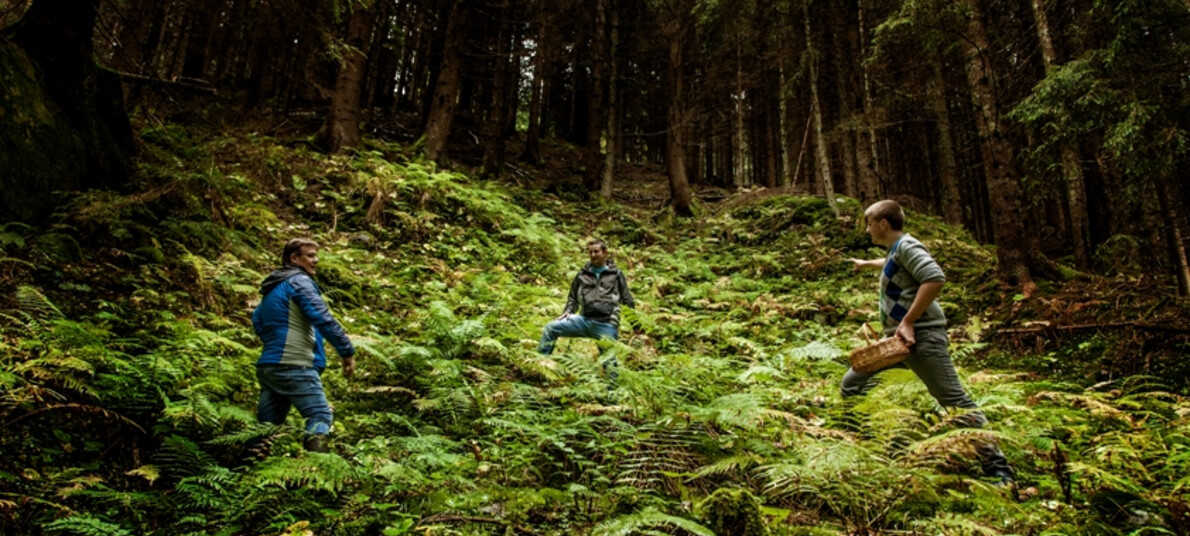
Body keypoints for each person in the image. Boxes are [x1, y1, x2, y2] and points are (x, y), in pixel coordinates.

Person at [844, 200, 1015, 484]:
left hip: (922, 337)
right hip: (897, 343)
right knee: (852, 383)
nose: (866, 229)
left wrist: (908, 320)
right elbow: (892, 263)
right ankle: (870, 449)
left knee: (954, 401)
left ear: (883, 224)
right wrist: (866, 265)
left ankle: (999, 469)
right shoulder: (896, 250)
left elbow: (934, 278)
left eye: (868, 223)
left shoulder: (908, 246)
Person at [252, 238, 355, 453]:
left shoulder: (272, 288)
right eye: (310, 256)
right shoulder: (299, 282)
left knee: (265, 430)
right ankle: (316, 475)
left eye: (316, 255)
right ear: (294, 258)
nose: (316, 260)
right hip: (294, 364)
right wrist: (346, 350)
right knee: (320, 415)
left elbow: (258, 320)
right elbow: (321, 316)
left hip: (270, 366)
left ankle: (244, 472)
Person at [539, 239, 635, 389]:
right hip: (583, 320)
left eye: (596, 251)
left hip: (606, 323)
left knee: (609, 359)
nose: (593, 255)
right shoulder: (582, 274)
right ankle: (540, 369)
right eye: (590, 252)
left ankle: (612, 393)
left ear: (605, 253)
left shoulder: (616, 275)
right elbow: (572, 297)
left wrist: (635, 325)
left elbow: (627, 299)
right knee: (551, 328)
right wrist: (568, 312)